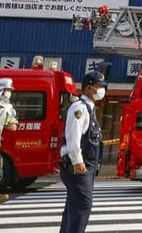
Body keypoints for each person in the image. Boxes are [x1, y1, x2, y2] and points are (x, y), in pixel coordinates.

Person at [60, 70, 107, 233]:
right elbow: (73, 137)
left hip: (86, 167)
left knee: (74, 206)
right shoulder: (79, 108)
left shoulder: (89, 108)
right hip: (78, 167)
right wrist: (77, 161)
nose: (102, 90)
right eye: (99, 86)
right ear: (88, 88)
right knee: (82, 206)